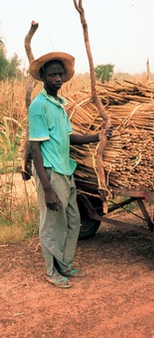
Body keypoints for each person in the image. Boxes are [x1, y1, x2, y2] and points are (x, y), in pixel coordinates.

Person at [28, 52, 112, 289]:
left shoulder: (59, 106)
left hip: (66, 170)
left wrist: (97, 136)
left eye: (60, 74)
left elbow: (69, 137)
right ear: (43, 76)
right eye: (52, 74)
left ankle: (64, 264)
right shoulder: (39, 106)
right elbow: (35, 148)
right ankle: (51, 271)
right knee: (51, 225)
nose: (57, 78)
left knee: (73, 221)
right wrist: (47, 189)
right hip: (50, 172)